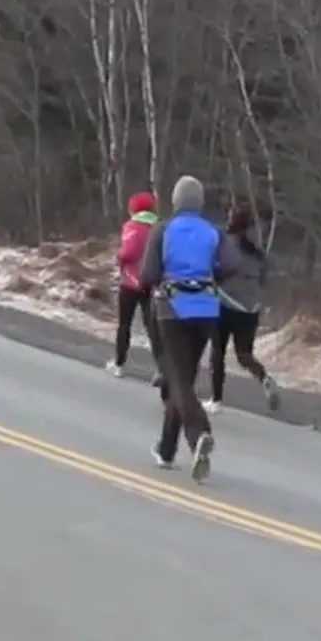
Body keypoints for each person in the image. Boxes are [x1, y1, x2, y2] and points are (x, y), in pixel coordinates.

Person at [138, 175, 229, 483]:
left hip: (171, 310)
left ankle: (200, 432)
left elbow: (147, 274)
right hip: (206, 311)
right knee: (184, 379)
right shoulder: (213, 232)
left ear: (176, 201)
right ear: (200, 202)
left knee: (177, 380)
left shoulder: (163, 229)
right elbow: (225, 268)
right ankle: (166, 449)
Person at [208, 202, 282, 413]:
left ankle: (216, 400)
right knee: (244, 354)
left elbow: (217, 271)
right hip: (250, 310)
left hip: (225, 304)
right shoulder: (257, 253)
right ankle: (264, 378)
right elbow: (262, 280)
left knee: (217, 352)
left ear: (232, 221)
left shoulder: (223, 243)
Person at [105, 191, 159, 380]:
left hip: (130, 282)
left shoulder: (132, 226)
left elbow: (128, 252)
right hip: (150, 282)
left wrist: (118, 258)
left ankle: (119, 363)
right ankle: (162, 370)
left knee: (124, 324)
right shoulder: (158, 228)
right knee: (152, 327)